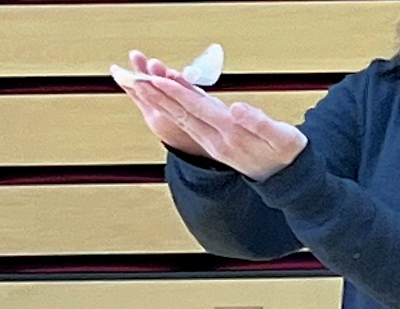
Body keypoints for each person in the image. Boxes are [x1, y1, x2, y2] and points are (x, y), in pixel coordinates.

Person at [110, 50, 400, 309]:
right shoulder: (377, 94)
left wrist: (298, 184)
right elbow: (258, 234)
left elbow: (306, 190)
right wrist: (203, 153)